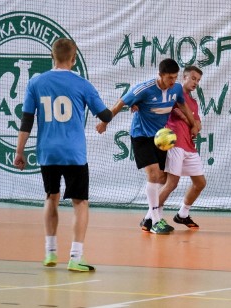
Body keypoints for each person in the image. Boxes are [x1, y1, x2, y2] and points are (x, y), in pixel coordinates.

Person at [14, 38, 113, 272]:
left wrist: (19, 151)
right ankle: (75, 257)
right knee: (80, 202)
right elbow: (105, 115)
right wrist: (123, 107)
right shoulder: (82, 84)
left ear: (52, 56)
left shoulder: (35, 82)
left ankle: (50, 252)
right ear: (74, 58)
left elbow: (27, 120)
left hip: (47, 152)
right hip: (74, 153)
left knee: (51, 197)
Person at [96, 59, 197, 235]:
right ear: (160, 75)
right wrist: (105, 122)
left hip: (160, 138)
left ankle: (148, 220)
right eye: (169, 78)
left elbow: (182, 105)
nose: (172, 81)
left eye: (175, 77)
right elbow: (120, 103)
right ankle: (157, 220)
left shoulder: (176, 89)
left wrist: (193, 124)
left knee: (163, 179)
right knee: (154, 174)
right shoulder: (144, 88)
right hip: (141, 135)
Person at [158, 66, 205, 229]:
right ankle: (151, 217)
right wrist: (190, 121)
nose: (195, 82)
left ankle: (182, 215)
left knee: (200, 183)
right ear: (183, 78)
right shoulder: (174, 93)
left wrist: (195, 126)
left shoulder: (193, 102)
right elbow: (178, 113)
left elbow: (198, 124)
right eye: (193, 78)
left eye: (198, 80)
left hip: (190, 147)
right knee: (171, 183)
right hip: (175, 143)